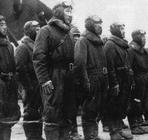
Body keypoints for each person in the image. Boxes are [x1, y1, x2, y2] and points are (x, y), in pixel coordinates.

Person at [33, 2, 76, 139]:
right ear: (58, 13)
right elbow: (39, 57)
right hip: (54, 75)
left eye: (71, 11)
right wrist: (44, 80)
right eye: (67, 11)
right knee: (53, 113)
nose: (70, 14)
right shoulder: (45, 30)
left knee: (67, 112)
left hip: (68, 76)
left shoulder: (68, 32)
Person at [74, 15, 108, 140]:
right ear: (89, 25)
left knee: (98, 108)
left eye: (100, 23)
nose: (99, 26)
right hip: (91, 79)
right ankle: (90, 136)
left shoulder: (98, 41)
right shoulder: (83, 41)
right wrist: (85, 83)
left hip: (101, 79)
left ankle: (94, 134)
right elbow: (79, 64)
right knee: (89, 110)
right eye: (96, 23)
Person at [104, 22, 134, 140]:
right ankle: (114, 132)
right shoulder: (110, 45)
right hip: (117, 80)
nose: (123, 30)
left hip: (125, 80)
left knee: (121, 106)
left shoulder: (122, 45)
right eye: (121, 28)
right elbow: (109, 66)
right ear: (115, 30)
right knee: (113, 107)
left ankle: (119, 130)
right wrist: (114, 83)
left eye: (123, 28)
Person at [15, 20, 44, 140]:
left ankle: (37, 136)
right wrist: (28, 86)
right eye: (35, 28)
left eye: (39, 27)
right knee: (30, 112)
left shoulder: (38, 45)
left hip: (38, 84)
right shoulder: (23, 46)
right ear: (28, 31)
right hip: (30, 85)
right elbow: (19, 68)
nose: (38, 30)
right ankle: (32, 137)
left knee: (38, 111)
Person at [127, 29, 148, 135]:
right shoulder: (131, 50)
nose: (144, 39)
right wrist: (132, 82)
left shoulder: (143, 50)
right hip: (137, 80)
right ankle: (134, 125)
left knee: (142, 102)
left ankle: (139, 124)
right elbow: (129, 67)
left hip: (144, 79)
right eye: (141, 36)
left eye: (144, 37)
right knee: (135, 103)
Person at [0, 15, 21, 140]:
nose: (4, 27)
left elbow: (13, 65)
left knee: (7, 120)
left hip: (9, 85)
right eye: (1, 25)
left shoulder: (8, 44)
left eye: (4, 24)